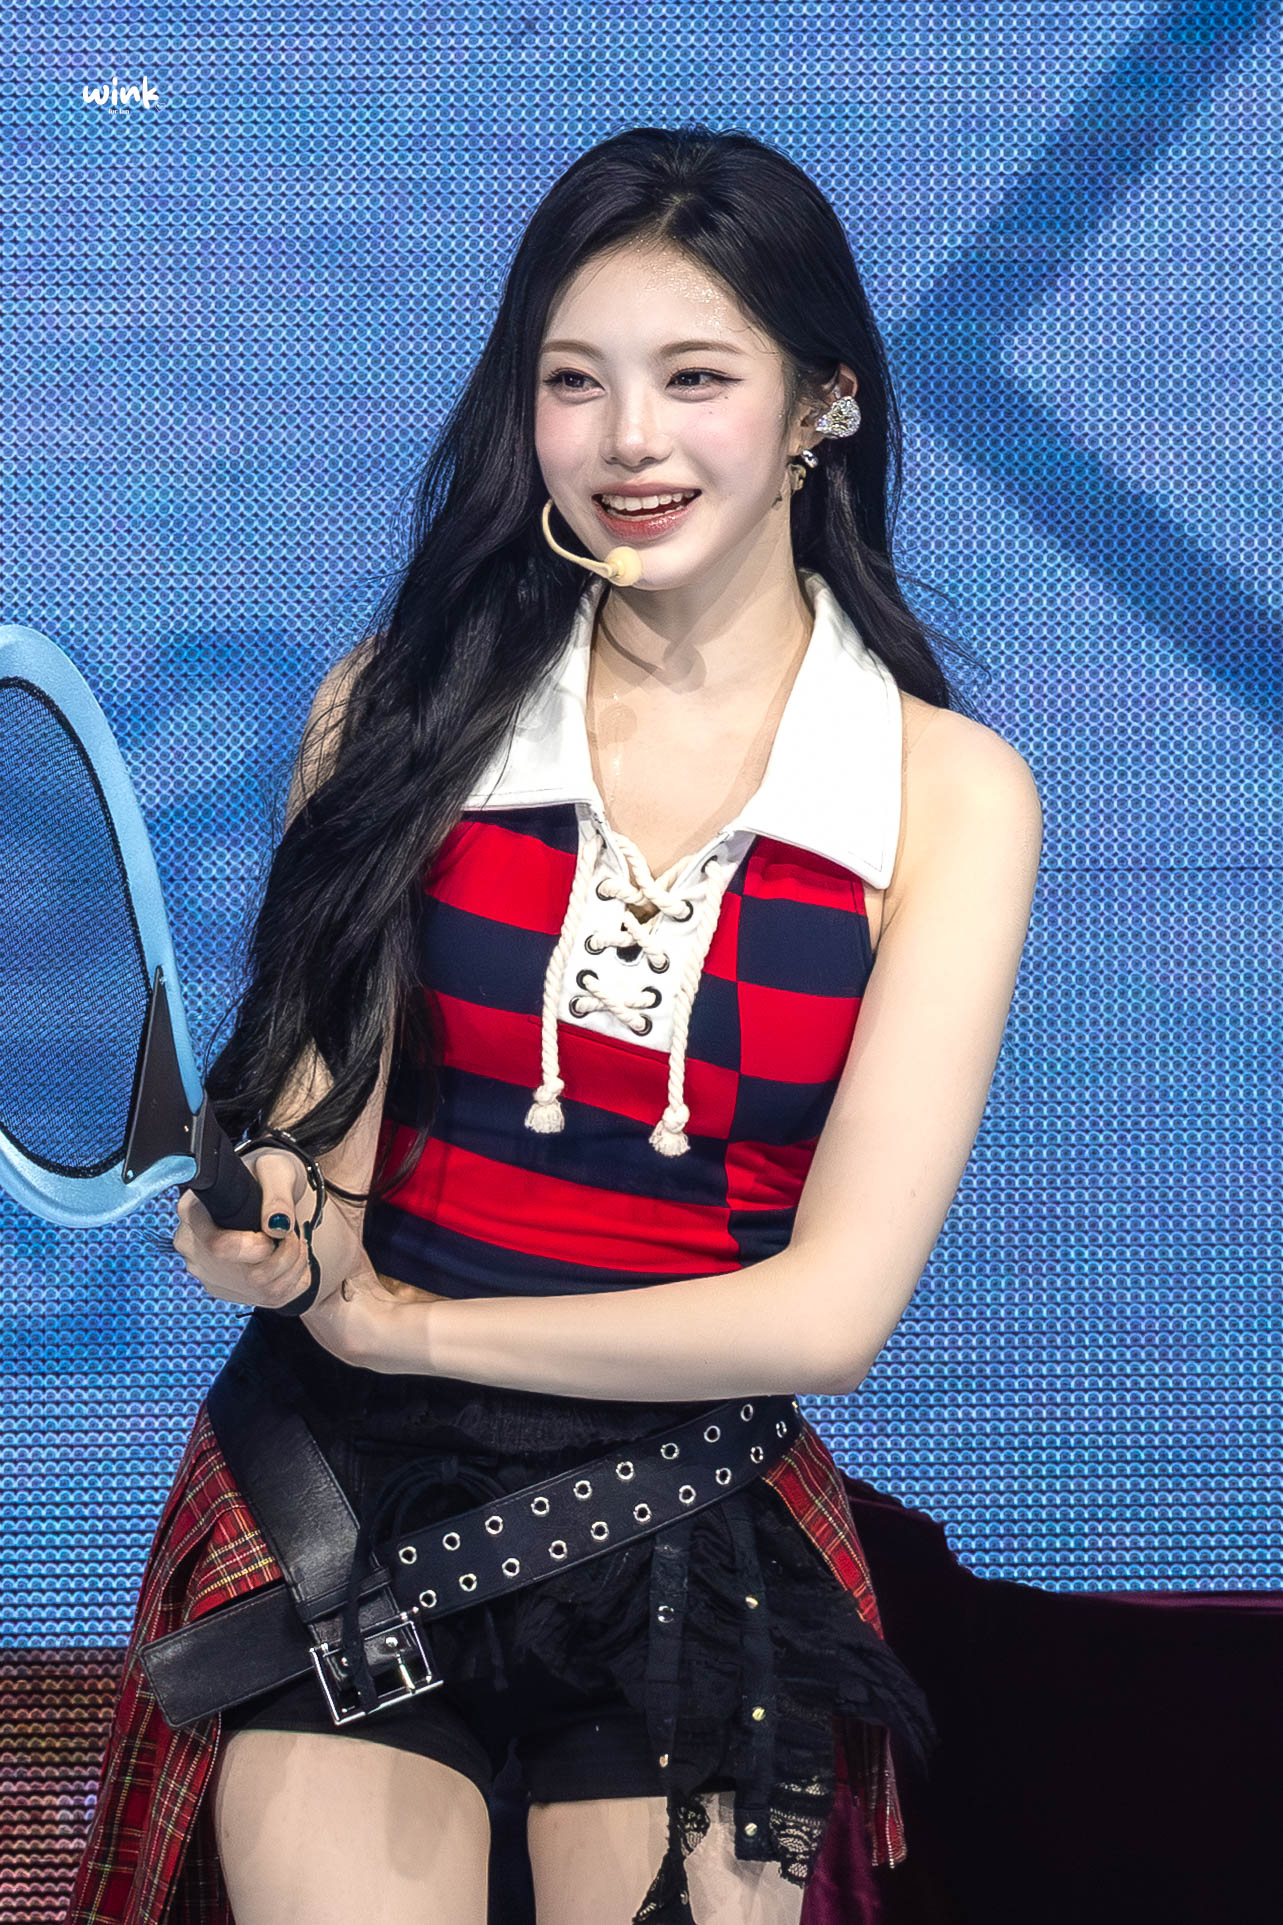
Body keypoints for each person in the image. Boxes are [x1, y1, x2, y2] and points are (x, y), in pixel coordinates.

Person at [65, 124, 1042, 1925]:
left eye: (695, 378)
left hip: (688, 1521)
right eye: (574, 381)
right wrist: (280, 1228)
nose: (627, 441)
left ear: (822, 403)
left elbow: (828, 1316)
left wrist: (415, 1324)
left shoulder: (945, 791)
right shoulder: (394, 710)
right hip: (349, 1498)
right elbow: (323, 1152)